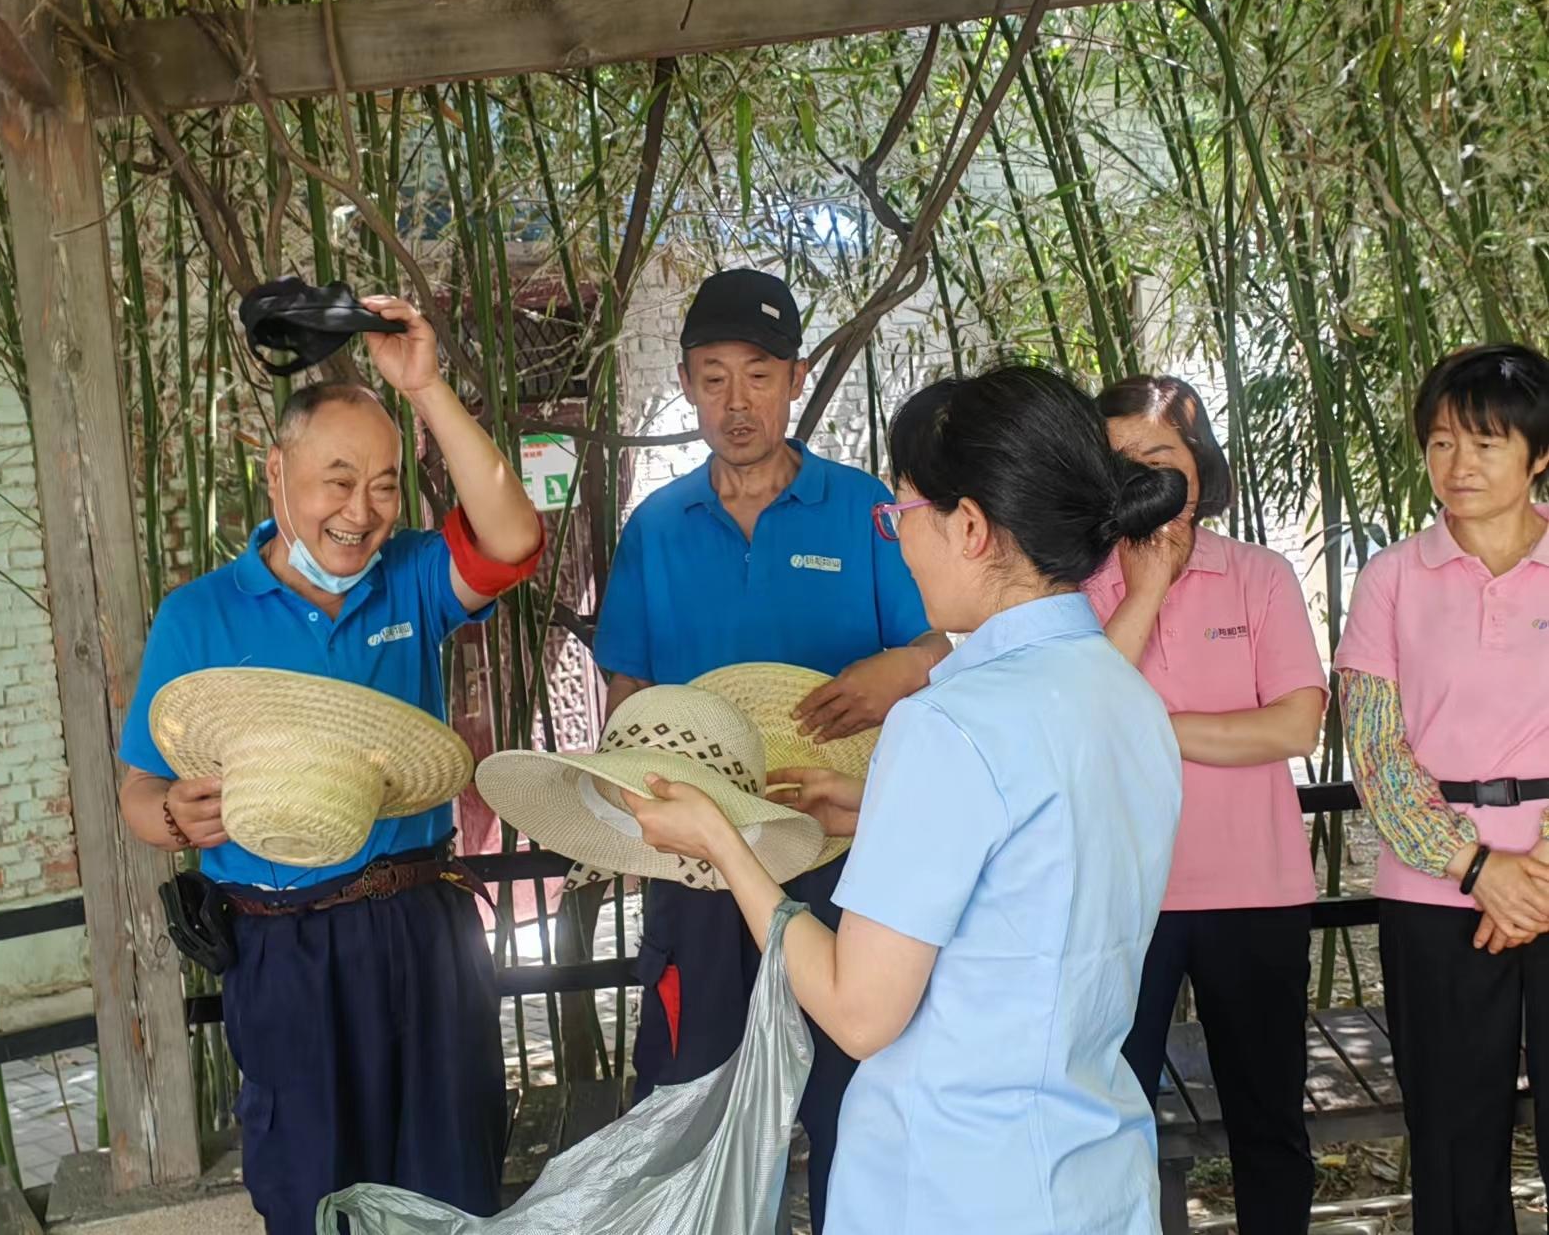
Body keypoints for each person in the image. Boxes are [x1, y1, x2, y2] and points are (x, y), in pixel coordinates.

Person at [622, 364, 1188, 1234]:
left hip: (953, 1182)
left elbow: (857, 1011)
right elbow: (1033, 874)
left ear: (969, 527)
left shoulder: (949, 726)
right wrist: (873, 804)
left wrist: (725, 843)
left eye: (901, 515)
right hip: (1091, 1170)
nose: (896, 540)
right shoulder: (1122, 695)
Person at [116, 296, 544, 1234]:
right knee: (311, 1195)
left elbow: (513, 540)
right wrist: (181, 815)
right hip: (284, 948)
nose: (361, 511)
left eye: (386, 486)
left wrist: (425, 388)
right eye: (336, 481)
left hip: (422, 926)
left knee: (453, 1187)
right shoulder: (201, 617)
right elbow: (138, 794)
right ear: (277, 474)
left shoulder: (413, 579)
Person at [591, 268, 949, 1232]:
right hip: (700, 870)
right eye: (712, 378)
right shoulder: (656, 528)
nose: (736, 402)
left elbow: (948, 640)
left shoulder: (866, 508)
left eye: (758, 375)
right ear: (685, 381)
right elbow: (624, 683)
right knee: (690, 1097)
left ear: (795, 379)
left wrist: (894, 670)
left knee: (854, 1098)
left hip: (845, 856)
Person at [1083, 375, 1328, 1233]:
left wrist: (1148, 723)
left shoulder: (1258, 574)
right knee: (1110, 1122)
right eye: (1119, 462)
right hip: (1123, 899)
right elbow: (1080, 720)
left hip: (1254, 893)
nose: (1141, 476)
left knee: (1268, 1123)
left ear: (1201, 468)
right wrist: (1144, 588)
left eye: (1160, 457)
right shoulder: (1077, 582)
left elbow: (1296, 721)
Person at [1336, 344, 1549, 1235]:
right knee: (1456, 1141)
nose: (1456, 466)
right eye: (1439, 443)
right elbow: (1377, 753)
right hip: (1435, 892)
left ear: (1539, 455)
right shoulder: (1391, 577)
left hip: (1543, 873)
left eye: (1484, 445)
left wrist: (1534, 872)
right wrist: (1478, 869)